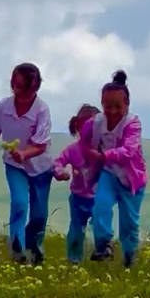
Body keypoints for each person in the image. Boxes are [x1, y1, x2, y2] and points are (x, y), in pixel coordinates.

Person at [0, 62, 53, 265]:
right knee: (20, 204)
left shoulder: (41, 111)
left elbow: (40, 145)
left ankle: (35, 249)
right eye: (15, 86)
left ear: (35, 88)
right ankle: (17, 247)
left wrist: (24, 153)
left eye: (24, 88)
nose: (19, 92)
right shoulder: (3, 107)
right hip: (15, 166)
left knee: (39, 214)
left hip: (40, 168)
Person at [89, 71, 147, 267]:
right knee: (101, 206)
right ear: (102, 105)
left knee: (129, 222)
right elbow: (84, 141)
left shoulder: (133, 123)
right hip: (109, 173)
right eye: (108, 107)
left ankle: (129, 257)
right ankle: (104, 244)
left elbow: (129, 150)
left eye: (117, 107)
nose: (112, 111)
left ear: (127, 105)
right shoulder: (97, 123)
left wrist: (105, 155)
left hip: (132, 179)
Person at [52, 104, 100, 265]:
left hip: (98, 197)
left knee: (100, 226)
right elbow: (58, 162)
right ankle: (74, 259)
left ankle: (100, 253)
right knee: (76, 229)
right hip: (78, 198)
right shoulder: (73, 150)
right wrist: (60, 172)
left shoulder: (103, 150)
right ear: (78, 126)